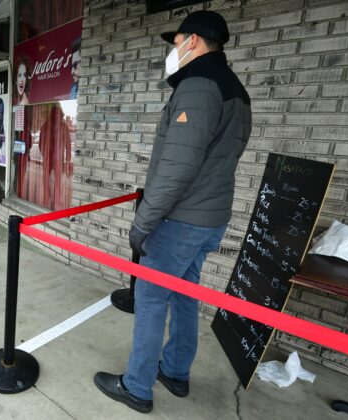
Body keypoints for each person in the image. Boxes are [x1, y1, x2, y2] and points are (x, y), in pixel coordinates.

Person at [93, 11, 252, 414]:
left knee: (150, 299)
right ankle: (176, 372)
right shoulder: (235, 89)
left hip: (179, 220)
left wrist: (143, 222)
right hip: (209, 218)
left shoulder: (199, 87)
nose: (173, 50)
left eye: (176, 41)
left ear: (193, 40)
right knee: (184, 296)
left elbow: (177, 167)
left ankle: (137, 387)